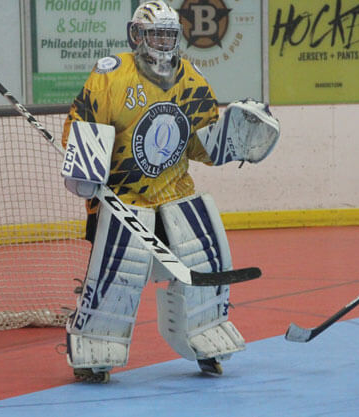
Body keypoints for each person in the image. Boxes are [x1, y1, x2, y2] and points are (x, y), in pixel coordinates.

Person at [60, 0, 280, 383]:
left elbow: (200, 144)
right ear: (136, 35)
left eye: (169, 34)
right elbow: (83, 125)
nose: (163, 42)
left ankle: (204, 334)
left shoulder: (192, 80)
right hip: (123, 197)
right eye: (155, 34)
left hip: (174, 192)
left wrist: (234, 137)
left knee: (205, 262)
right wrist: (84, 166)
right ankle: (94, 345)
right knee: (117, 276)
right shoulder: (111, 77)